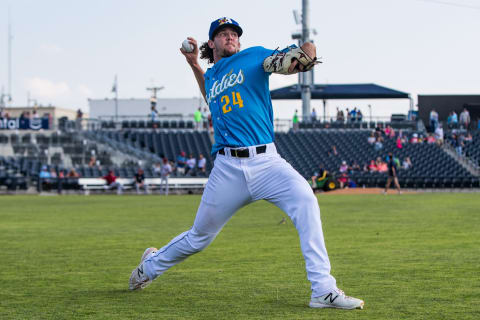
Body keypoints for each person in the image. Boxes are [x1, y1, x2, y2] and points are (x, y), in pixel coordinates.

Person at [128, 17, 364, 310]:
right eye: (223, 34)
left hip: (267, 162)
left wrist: (307, 50)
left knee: (306, 200)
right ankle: (147, 268)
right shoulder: (214, 76)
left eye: (233, 34)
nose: (230, 37)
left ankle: (323, 290)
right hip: (228, 169)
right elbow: (210, 94)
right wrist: (193, 64)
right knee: (199, 237)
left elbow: (289, 62)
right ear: (212, 43)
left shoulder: (253, 57)